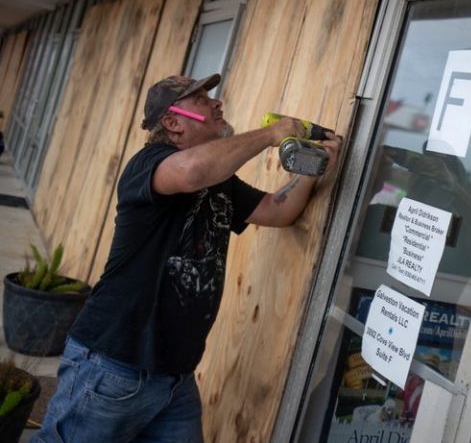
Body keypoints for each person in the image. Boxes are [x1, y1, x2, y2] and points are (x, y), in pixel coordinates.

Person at [33, 73, 341, 442]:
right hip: (112, 364)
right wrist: (271, 135)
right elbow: (192, 171)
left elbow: (277, 211)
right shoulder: (148, 164)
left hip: (174, 377)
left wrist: (313, 167)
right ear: (173, 123)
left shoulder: (220, 181)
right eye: (201, 99)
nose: (216, 103)